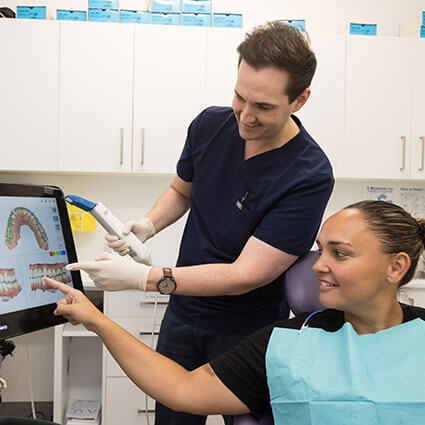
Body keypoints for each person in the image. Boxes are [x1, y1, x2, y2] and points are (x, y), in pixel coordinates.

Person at [66, 21, 334, 425]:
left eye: (263, 106)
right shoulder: (210, 125)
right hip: (184, 314)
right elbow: (181, 190)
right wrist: (148, 225)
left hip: (250, 327)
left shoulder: (308, 174)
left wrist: (143, 278)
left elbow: (243, 275)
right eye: (239, 97)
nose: (245, 116)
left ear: (300, 99)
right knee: (172, 418)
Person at [48, 200, 425, 424]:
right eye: (320, 250)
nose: (317, 265)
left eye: (339, 254)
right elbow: (182, 388)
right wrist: (96, 320)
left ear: (396, 267)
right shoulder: (288, 343)